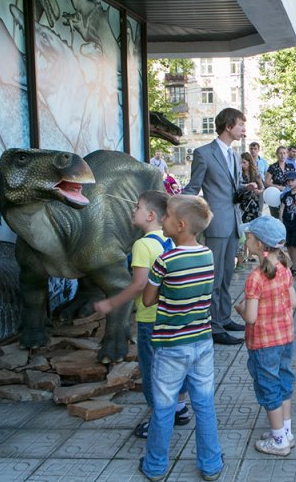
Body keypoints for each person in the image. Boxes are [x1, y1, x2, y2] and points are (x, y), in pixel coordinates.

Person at [93, 191, 191, 440]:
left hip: (151, 320)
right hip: (174, 317)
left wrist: (111, 303)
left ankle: (159, 421)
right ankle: (179, 408)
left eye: (136, 207)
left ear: (150, 215)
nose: (132, 211)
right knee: (176, 366)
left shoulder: (142, 244)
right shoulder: (171, 240)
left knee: (153, 373)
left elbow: (138, 285)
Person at [140, 195, 223, 481]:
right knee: (204, 404)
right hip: (201, 341)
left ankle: (154, 466)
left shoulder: (165, 260)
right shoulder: (207, 254)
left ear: (180, 224)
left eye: (166, 216)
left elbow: (148, 299)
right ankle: (211, 464)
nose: (161, 219)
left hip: (171, 345)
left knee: (163, 407)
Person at [182, 107, 248, 345]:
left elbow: (234, 189)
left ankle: (223, 317)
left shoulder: (233, 155)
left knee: (227, 275)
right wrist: (172, 203)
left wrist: (247, 190)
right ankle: (214, 327)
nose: (244, 129)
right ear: (228, 126)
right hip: (216, 223)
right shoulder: (203, 153)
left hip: (233, 222)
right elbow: (193, 186)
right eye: (241, 124)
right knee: (215, 276)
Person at [234, 216, 296, 457]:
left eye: (249, 236)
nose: (246, 240)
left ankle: (278, 440)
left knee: (269, 387)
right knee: (284, 382)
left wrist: (240, 308)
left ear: (260, 244)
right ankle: (285, 432)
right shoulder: (283, 269)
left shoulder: (256, 277)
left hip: (263, 343)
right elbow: (292, 302)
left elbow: (250, 317)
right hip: (285, 339)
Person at [279, 171, 296, 277]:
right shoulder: (286, 195)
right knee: (288, 245)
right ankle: (292, 264)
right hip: (287, 223)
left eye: (292, 180)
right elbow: (282, 208)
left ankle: (295, 267)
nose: (290, 182)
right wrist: (280, 220)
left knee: (295, 245)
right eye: (288, 181)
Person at [265, 146, 296, 219]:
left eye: (284, 153)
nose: (282, 155)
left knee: (288, 217)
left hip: (288, 196)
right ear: (277, 154)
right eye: (280, 153)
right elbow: (266, 182)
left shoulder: (291, 166)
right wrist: (279, 187)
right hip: (275, 196)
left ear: (287, 154)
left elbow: (295, 180)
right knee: (276, 218)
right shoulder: (272, 167)